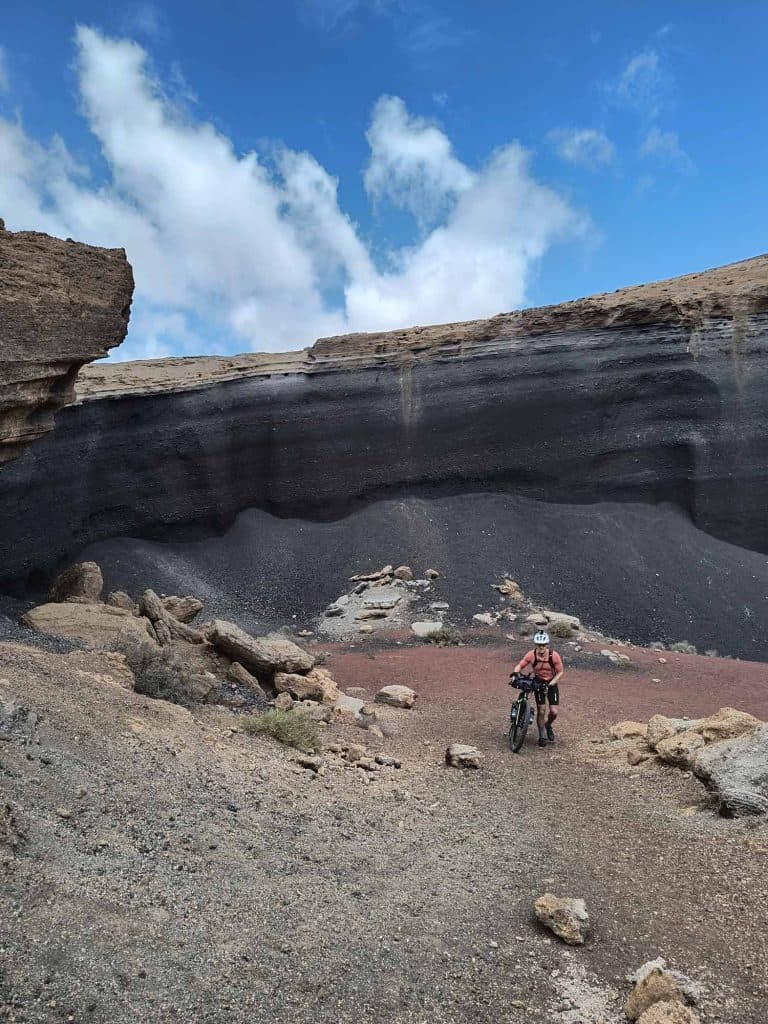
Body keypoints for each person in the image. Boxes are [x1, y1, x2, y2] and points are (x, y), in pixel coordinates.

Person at [511, 631, 564, 747]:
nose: (541, 647)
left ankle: (548, 724)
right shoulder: (531, 655)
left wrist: (551, 684)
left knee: (554, 712)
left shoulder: (554, 656)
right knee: (541, 710)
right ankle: (542, 736)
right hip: (539, 682)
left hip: (551, 683)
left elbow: (560, 672)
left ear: (547, 645)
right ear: (536, 645)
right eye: (539, 645)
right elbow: (520, 665)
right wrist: (515, 672)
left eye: (543, 645)